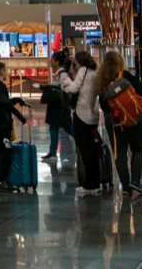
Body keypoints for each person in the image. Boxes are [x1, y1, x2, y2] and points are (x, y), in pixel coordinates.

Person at [98, 50, 142, 196]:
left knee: (119, 152)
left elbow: (102, 104)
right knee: (138, 148)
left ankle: (125, 187)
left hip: (112, 120)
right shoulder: (125, 76)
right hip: (131, 118)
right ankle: (136, 181)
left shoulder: (102, 81)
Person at [61, 50, 103, 196]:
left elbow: (74, 88)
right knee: (92, 149)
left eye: (75, 63)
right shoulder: (95, 72)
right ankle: (96, 183)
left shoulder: (83, 70)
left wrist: (65, 84)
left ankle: (89, 185)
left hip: (82, 114)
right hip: (93, 115)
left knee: (85, 150)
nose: (75, 65)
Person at [0, 61, 29, 190]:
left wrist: (15, 100)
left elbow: (1, 102)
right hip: (2, 125)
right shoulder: (1, 86)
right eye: (6, 70)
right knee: (6, 153)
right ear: (0, 72)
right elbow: (5, 104)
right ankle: (2, 180)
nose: (7, 72)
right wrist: (19, 116)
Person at [39, 50, 73, 160]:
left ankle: (84, 141)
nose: (50, 61)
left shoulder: (63, 74)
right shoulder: (59, 73)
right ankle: (52, 152)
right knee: (56, 128)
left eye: (52, 60)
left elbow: (66, 89)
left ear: (58, 62)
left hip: (59, 108)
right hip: (56, 108)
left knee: (67, 127)